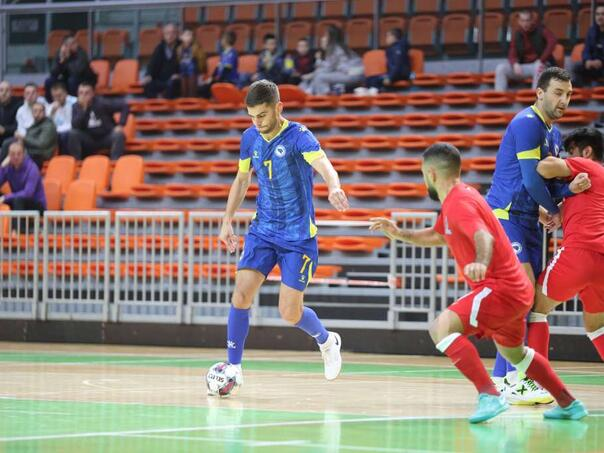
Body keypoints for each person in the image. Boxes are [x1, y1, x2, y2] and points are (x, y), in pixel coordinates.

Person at [369, 143, 588, 423]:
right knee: (515, 353)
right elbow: (438, 235)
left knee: (440, 327)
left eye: (423, 174)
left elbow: (483, 236)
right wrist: (399, 233)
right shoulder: (461, 197)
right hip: (516, 291)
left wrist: (481, 263)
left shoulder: (459, 203)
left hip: (500, 287)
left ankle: (490, 395)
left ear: (432, 174)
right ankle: (569, 403)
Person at [217, 80, 349, 389]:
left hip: (298, 237)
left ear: (278, 108)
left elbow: (324, 164)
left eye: (262, 115)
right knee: (241, 294)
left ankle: (327, 340)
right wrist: (227, 220)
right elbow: (241, 180)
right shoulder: (250, 138)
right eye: (252, 116)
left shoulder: (298, 136)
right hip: (262, 230)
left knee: (289, 312)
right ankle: (234, 368)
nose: (257, 123)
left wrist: (334, 185)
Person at [485, 67, 589, 404]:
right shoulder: (527, 123)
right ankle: (511, 378)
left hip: (529, 220)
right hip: (506, 218)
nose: (564, 100)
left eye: (569, 95)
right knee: (521, 294)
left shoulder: (554, 133)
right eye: (558, 92)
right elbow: (531, 181)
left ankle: (504, 377)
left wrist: (569, 191)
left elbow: (548, 183)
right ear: (539, 93)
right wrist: (558, 207)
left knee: (527, 300)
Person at [527, 127, 604, 361]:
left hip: (581, 252)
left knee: (534, 310)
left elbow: (543, 167)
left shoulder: (587, 166)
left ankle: (535, 382)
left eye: (571, 152)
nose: (569, 158)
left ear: (586, 152)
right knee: (596, 327)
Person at [494, 10, 557, 92]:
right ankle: (500, 96)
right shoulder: (517, 34)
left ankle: (535, 98)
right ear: (519, 22)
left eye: (527, 20)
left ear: (532, 21)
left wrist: (542, 60)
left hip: (539, 64)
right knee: (500, 68)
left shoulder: (541, 30)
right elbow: (512, 51)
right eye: (523, 21)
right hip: (523, 65)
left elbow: (552, 42)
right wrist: (514, 63)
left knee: (539, 68)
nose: (525, 23)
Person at [68, 82, 128, 160]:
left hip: (106, 136)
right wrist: (83, 110)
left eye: (87, 93)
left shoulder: (102, 103)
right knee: (73, 134)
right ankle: (77, 164)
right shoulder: (76, 106)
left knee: (119, 135)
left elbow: (124, 106)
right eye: (81, 93)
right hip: (89, 138)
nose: (83, 96)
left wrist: (121, 124)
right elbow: (75, 126)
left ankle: (115, 163)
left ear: (93, 94)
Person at [299, 26, 364, 95]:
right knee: (318, 76)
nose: (323, 38)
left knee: (320, 77)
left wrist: (311, 75)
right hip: (348, 73)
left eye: (325, 36)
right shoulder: (337, 47)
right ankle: (306, 91)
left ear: (331, 37)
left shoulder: (335, 49)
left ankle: (324, 100)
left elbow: (327, 69)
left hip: (353, 75)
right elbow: (328, 67)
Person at [44, 35, 97, 102]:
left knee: (72, 80)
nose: (75, 45)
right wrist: (61, 61)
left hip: (84, 79)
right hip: (66, 79)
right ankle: (50, 103)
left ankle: (75, 103)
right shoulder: (60, 53)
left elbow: (77, 72)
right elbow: (53, 73)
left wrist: (68, 59)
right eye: (71, 44)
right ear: (65, 45)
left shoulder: (81, 53)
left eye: (75, 43)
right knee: (49, 81)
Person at [0, 141, 46, 213]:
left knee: (18, 200)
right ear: (8, 156)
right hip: (18, 201)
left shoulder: (32, 168)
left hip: (37, 205)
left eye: (19, 154)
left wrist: (5, 197)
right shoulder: (8, 167)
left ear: (24, 154)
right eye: (13, 154)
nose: (16, 157)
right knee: (15, 200)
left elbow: (28, 193)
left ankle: (18, 225)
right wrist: (2, 167)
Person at [143, 23, 181, 99]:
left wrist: (179, 74)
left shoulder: (181, 47)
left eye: (173, 33)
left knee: (175, 84)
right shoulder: (159, 48)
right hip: (161, 81)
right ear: (164, 35)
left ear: (177, 34)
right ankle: (159, 98)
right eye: (167, 33)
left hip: (174, 80)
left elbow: (185, 65)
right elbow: (152, 64)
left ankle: (164, 98)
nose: (170, 36)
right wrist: (148, 75)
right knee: (148, 84)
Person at [199, 31, 239, 98]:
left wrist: (217, 80)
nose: (220, 41)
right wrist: (211, 78)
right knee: (203, 87)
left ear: (226, 40)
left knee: (206, 88)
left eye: (222, 39)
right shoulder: (223, 53)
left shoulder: (232, 53)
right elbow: (217, 68)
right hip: (221, 79)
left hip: (228, 80)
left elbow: (227, 70)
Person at [572, 4, 604, 87]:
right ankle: (584, 92)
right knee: (575, 67)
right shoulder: (591, 30)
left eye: (603, 14)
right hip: (592, 64)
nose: (600, 17)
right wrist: (587, 60)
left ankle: (597, 88)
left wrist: (601, 61)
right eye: (597, 14)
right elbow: (586, 49)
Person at [17, 102, 57, 168]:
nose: (37, 113)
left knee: (19, 156)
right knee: (9, 144)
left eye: (40, 111)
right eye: (35, 111)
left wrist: (24, 138)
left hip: (42, 154)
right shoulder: (34, 125)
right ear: (32, 113)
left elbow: (41, 144)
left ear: (44, 112)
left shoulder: (48, 125)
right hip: (32, 151)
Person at [46, 82, 76, 155]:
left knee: (65, 136)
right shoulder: (51, 107)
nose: (57, 99)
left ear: (65, 93)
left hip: (72, 130)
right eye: (54, 96)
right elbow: (47, 125)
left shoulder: (75, 102)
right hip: (59, 132)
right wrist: (52, 113)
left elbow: (74, 123)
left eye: (59, 96)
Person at [177, 29, 206, 98]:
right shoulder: (179, 49)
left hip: (193, 69)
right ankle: (184, 100)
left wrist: (201, 71)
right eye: (187, 35)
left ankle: (193, 100)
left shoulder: (197, 47)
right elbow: (178, 60)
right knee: (184, 87)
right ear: (181, 37)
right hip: (183, 69)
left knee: (192, 86)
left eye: (190, 35)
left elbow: (201, 59)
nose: (189, 37)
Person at [0, 81, 20, 150]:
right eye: (1, 90)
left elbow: (18, 126)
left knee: (6, 143)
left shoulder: (18, 105)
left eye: (7, 90)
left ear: (11, 92)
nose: (4, 93)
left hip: (11, 138)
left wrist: (4, 130)